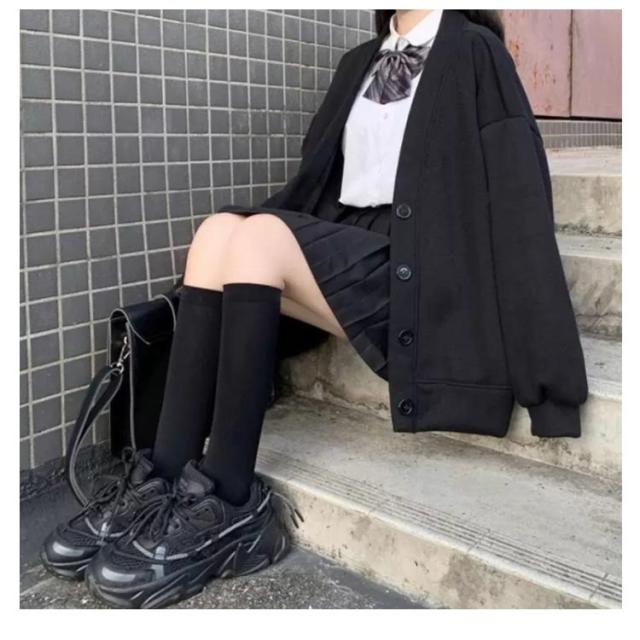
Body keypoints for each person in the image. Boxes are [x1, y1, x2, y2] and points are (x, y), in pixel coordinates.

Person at [40, 9, 588, 608]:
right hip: (355, 247)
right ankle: (163, 482)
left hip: (427, 273)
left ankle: (231, 503)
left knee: (258, 237)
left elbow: (518, 198)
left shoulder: (476, 51)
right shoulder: (359, 63)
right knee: (218, 231)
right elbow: (316, 188)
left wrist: (549, 383)